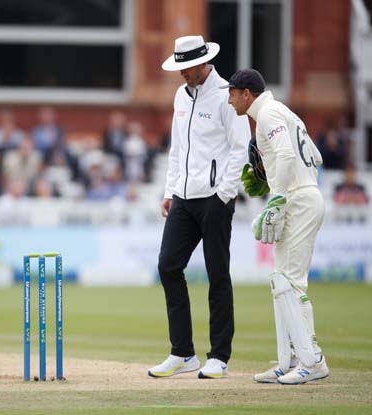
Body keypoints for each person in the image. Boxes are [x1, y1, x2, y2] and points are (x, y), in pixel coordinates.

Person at [148, 36, 250, 379]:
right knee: (168, 266)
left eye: (184, 68)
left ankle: (219, 356)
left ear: (201, 63)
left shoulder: (226, 95)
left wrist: (224, 193)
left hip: (214, 199)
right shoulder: (181, 95)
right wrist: (169, 190)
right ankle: (183, 353)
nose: (180, 74)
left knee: (217, 274)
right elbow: (177, 150)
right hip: (183, 197)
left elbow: (241, 147)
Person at [223, 68, 330, 384]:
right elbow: (316, 156)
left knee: (291, 282)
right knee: (282, 282)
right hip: (301, 194)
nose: (229, 101)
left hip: (299, 199)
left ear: (246, 93)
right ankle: (290, 359)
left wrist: (277, 197)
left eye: (232, 94)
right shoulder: (282, 111)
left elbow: (284, 154)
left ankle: (312, 361)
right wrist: (268, 181)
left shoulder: (268, 114)